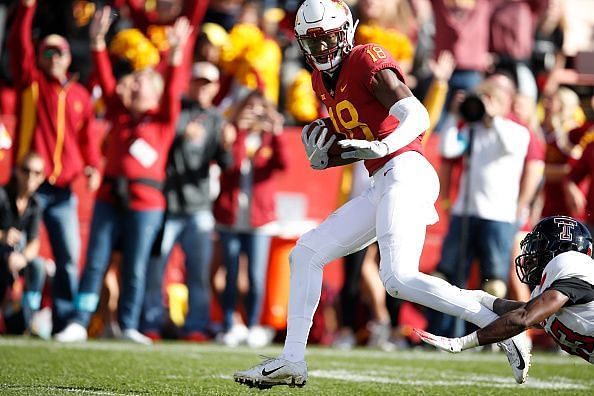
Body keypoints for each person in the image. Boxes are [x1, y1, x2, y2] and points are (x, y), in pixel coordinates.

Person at [233, 0, 531, 389]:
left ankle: (496, 322)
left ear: (345, 32)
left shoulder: (363, 58)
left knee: (398, 277)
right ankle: (292, 359)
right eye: (312, 42)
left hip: (407, 170)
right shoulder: (320, 80)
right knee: (306, 253)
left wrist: (383, 146)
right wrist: (325, 151)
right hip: (384, 179)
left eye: (326, 39)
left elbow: (418, 115)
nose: (321, 50)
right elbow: (357, 140)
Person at [54, 7, 192, 345]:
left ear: (156, 94)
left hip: (147, 204)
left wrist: (175, 55)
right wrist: (98, 41)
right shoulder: (118, 113)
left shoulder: (162, 119)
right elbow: (103, 78)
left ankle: (129, 325)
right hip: (109, 199)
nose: (132, 84)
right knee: (96, 262)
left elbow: (174, 87)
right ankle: (80, 320)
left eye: (141, 81)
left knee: (135, 267)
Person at [9, 0, 102, 334]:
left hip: (63, 190)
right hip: (28, 187)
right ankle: (13, 318)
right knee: (13, 253)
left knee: (67, 259)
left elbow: (89, 138)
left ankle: (64, 322)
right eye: (46, 53)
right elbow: (18, 46)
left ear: (67, 58)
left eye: (57, 53)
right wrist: (26, 8)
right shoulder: (31, 84)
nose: (52, 58)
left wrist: (92, 166)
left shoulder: (79, 95)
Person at [416, 215, 594, 366]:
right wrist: (482, 298)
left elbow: (524, 317)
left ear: (561, 250)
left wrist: (461, 343)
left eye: (539, 247)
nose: (532, 255)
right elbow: (526, 313)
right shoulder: (550, 292)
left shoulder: (570, 263)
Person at [140, 61, 235, 341]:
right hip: (168, 205)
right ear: (190, 83)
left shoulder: (217, 120)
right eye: (198, 82)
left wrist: (228, 147)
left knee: (198, 273)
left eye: (208, 83)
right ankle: (152, 323)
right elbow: (160, 146)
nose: (202, 88)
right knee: (156, 270)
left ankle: (196, 326)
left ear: (216, 88)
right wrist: (182, 137)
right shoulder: (175, 109)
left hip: (199, 208)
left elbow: (225, 164)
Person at [214, 89, 288, 348]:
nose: (254, 113)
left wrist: (277, 132)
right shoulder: (233, 132)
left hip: (260, 220)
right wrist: (236, 131)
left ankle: (253, 324)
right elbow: (229, 166)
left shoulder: (269, 138)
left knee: (257, 276)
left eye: (259, 107)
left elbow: (283, 165)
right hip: (231, 217)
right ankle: (229, 324)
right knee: (231, 273)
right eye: (249, 107)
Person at [0, 153, 46, 334]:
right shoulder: (2, 195)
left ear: (42, 177)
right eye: (26, 171)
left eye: (37, 173)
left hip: (15, 262)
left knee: (38, 266)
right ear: (17, 171)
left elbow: (34, 243)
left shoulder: (35, 204)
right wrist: (2, 236)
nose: (30, 177)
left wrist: (22, 258)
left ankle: (29, 318)